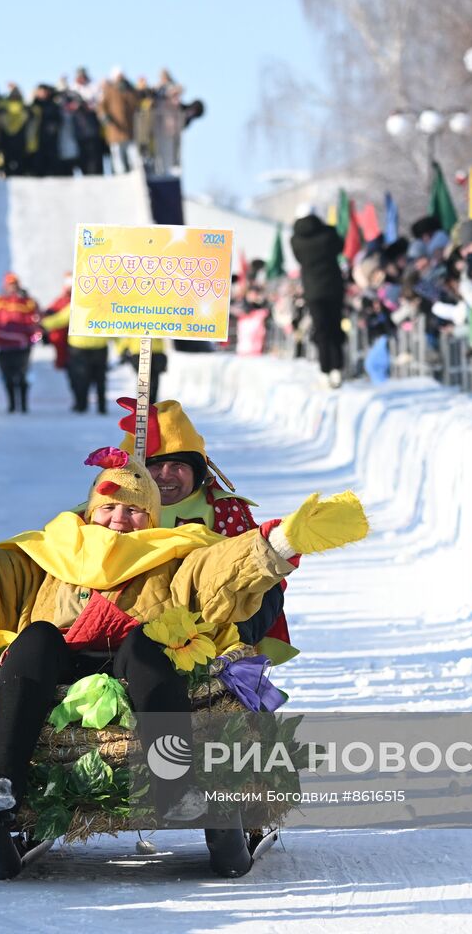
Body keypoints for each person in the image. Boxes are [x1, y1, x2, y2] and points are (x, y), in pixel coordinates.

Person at [0, 449, 367, 877]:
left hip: (138, 664)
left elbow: (220, 571)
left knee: (148, 646)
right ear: (90, 509)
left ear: (150, 517)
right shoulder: (51, 552)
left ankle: (175, 782)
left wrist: (282, 539)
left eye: (134, 510)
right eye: (110, 507)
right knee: (33, 637)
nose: (121, 520)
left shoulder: (171, 554)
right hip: (62, 666)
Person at [117, 397, 296, 658]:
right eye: (154, 466)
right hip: (134, 622)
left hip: (213, 624)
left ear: (197, 470)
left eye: (178, 465)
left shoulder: (223, 509)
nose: (165, 475)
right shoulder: (114, 509)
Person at [289, 203, 347, 387]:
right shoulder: (329, 233)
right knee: (335, 326)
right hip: (333, 287)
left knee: (321, 329)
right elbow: (340, 247)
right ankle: (337, 368)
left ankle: (324, 369)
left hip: (312, 290)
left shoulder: (295, 240)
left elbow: (299, 259)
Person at [0, 273, 39, 413]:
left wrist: (33, 338)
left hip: (22, 347)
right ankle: (12, 405)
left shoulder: (28, 302)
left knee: (22, 376)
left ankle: (24, 405)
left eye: (14, 284)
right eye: (9, 285)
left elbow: (36, 321)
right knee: (7, 377)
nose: (12, 288)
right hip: (4, 347)